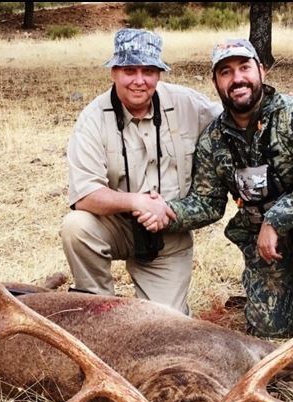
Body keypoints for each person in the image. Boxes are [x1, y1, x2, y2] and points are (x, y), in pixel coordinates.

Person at [159, 39, 293, 338]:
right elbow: (207, 202)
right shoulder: (213, 139)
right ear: (215, 82)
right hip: (264, 244)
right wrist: (164, 211)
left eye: (244, 68)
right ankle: (290, 298)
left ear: (261, 71)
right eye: (226, 72)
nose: (237, 78)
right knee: (269, 330)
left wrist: (274, 220)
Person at [62, 29, 221, 314]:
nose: (139, 80)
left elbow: (236, 120)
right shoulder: (92, 119)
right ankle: (98, 309)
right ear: (113, 72)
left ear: (159, 74)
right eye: (129, 70)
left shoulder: (188, 104)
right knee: (76, 227)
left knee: (166, 325)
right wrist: (137, 202)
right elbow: (85, 195)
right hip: (116, 226)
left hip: (168, 235)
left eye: (148, 71)